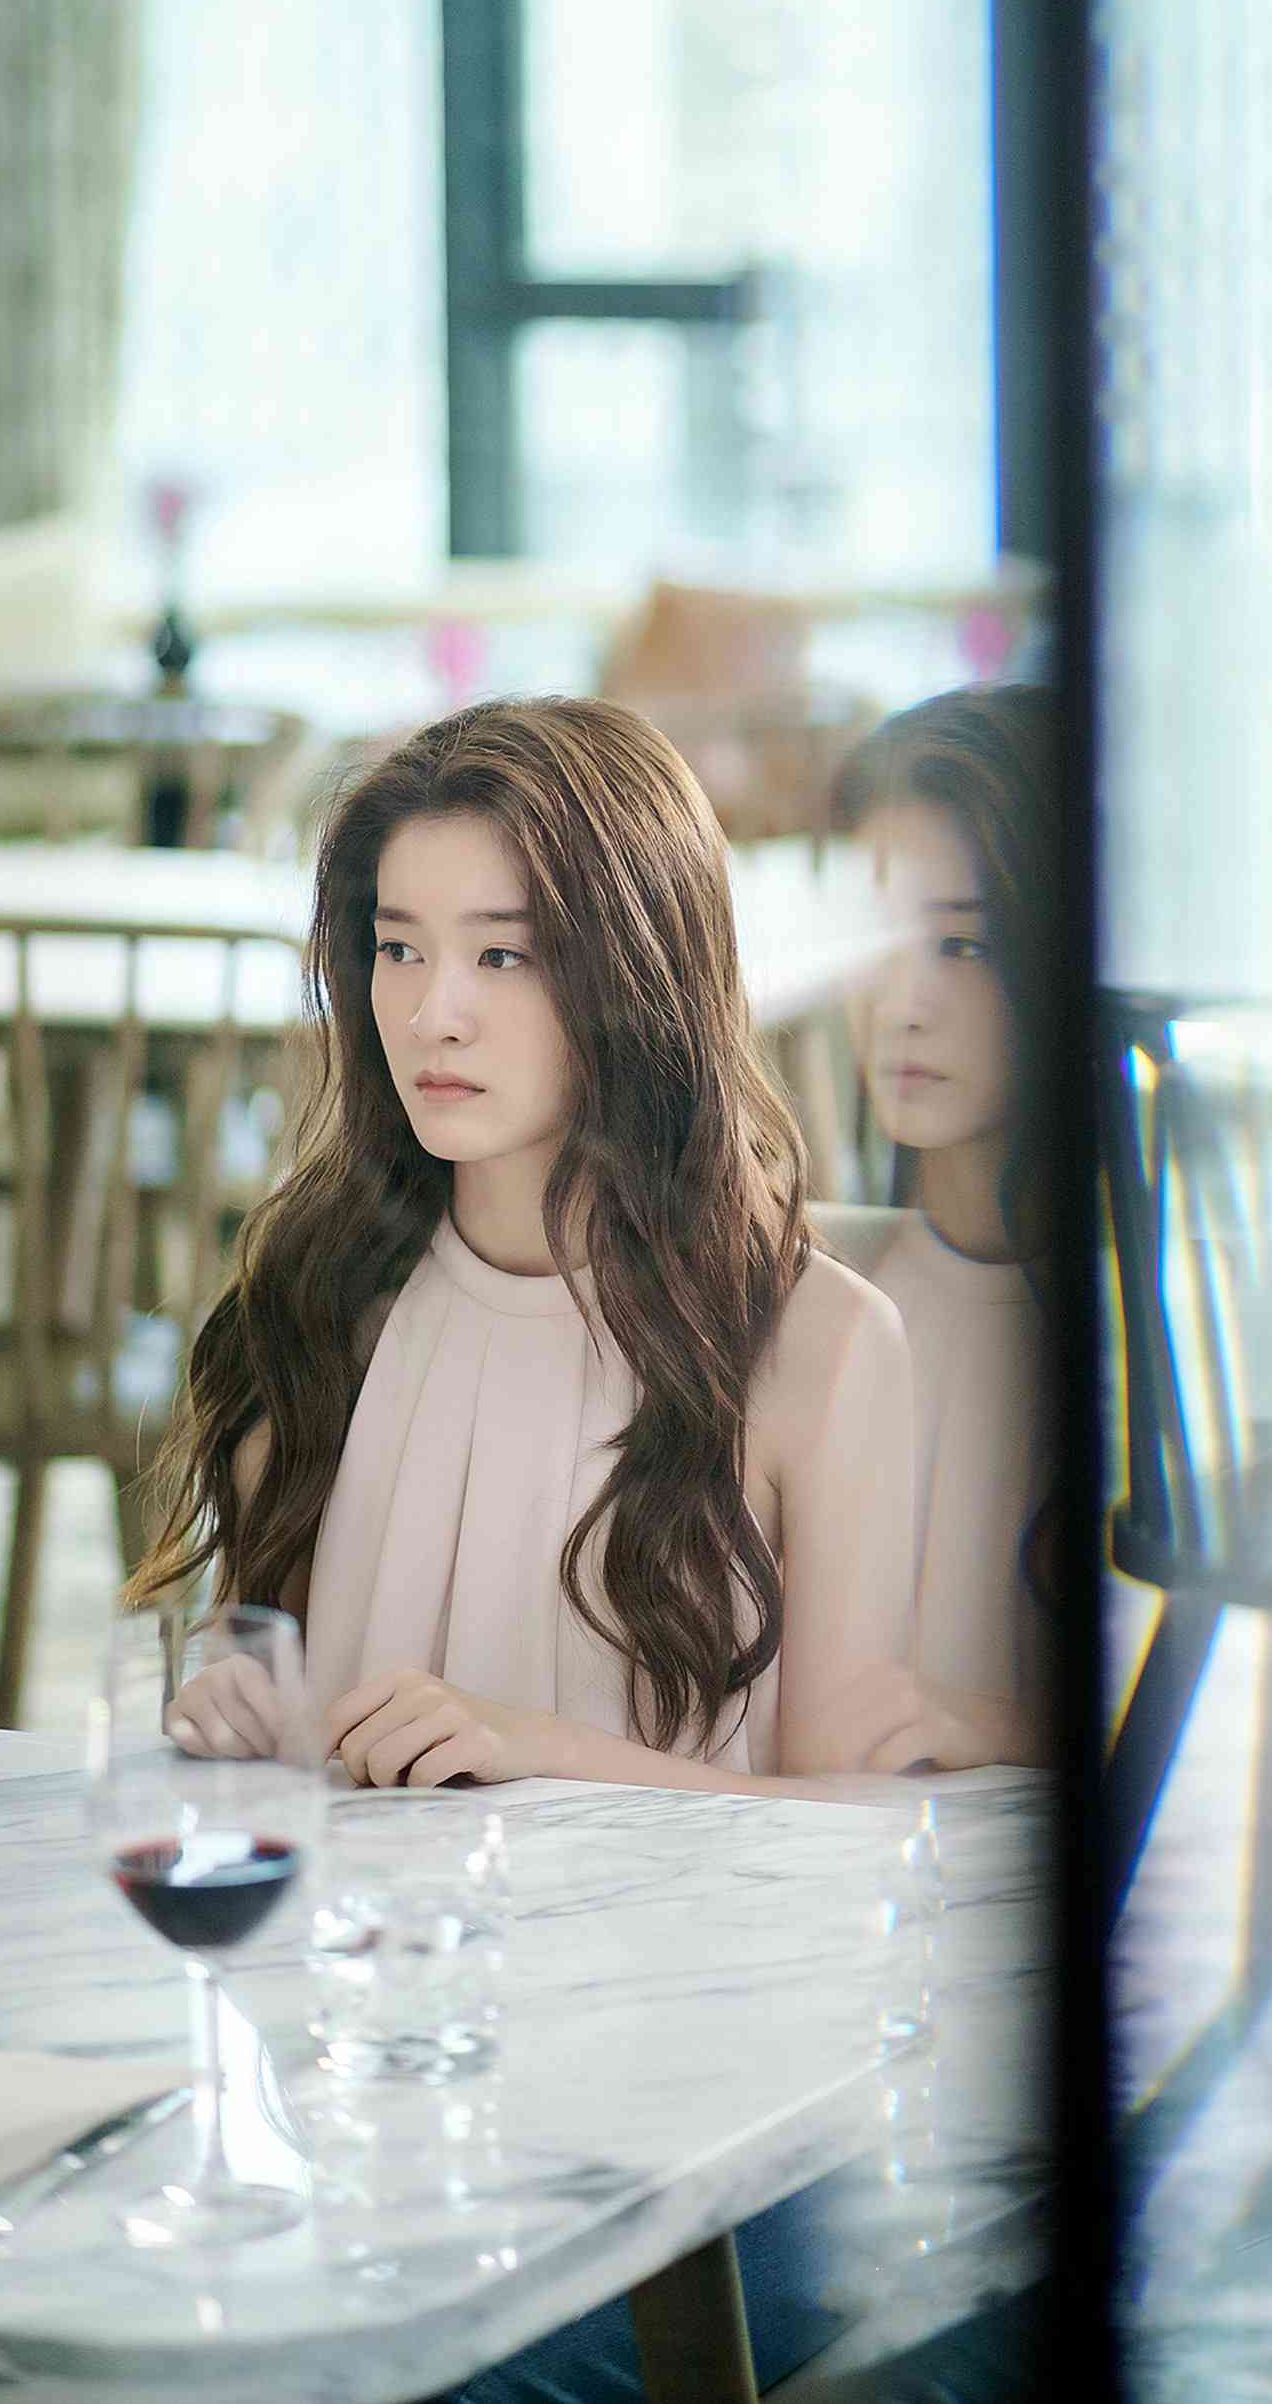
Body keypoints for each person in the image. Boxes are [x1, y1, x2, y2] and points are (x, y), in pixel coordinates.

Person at [133, 694, 915, 1792]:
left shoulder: (823, 1348)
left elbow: (849, 1830)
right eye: (398, 947)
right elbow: (257, 1663)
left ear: (639, 976)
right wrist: (233, 1700)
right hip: (367, 1907)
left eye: (501, 955)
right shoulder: (321, 1295)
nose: (431, 1014)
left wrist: (538, 1753)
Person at [812, 682, 1060, 1777]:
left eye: (963, 945)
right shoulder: (818, 1292)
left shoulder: (1151, 1324)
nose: (901, 1003)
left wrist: (995, 1727)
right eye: (877, 940)